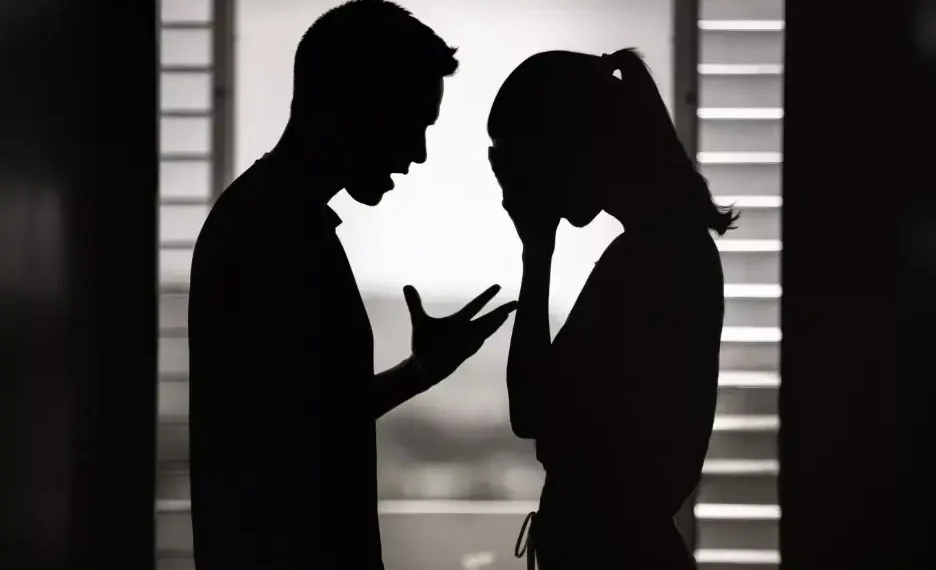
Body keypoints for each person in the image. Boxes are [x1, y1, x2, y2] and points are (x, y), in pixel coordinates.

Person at [187, 1, 517, 569]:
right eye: (412, 122)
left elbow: (306, 417)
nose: (417, 154)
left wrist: (419, 372)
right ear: (354, 102)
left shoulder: (273, 221)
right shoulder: (272, 232)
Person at [488, 48, 736, 569]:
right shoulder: (665, 247)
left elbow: (530, 408)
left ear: (570, 144)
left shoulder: (653, 256)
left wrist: (538, 249)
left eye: (525, 161)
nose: (524, 184)